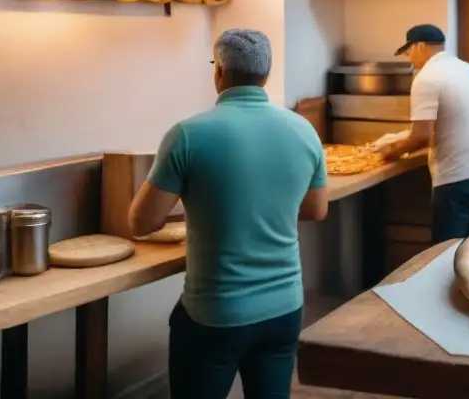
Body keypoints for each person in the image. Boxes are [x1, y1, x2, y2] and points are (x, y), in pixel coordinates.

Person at [128, 29, 328, 399]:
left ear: (218, 71)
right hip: (284, 308)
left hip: (216, 313)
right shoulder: (304, 131)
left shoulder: (188, 135)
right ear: (266, 74)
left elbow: (142, 223)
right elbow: (316, 209)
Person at [384, 24, 469, 242]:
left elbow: (420, 136)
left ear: (419, 46)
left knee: (445, 254)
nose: (411, 60)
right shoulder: (468, 69)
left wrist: (390, 153)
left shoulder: (426, 78)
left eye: (409, 52)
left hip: (458, 179)